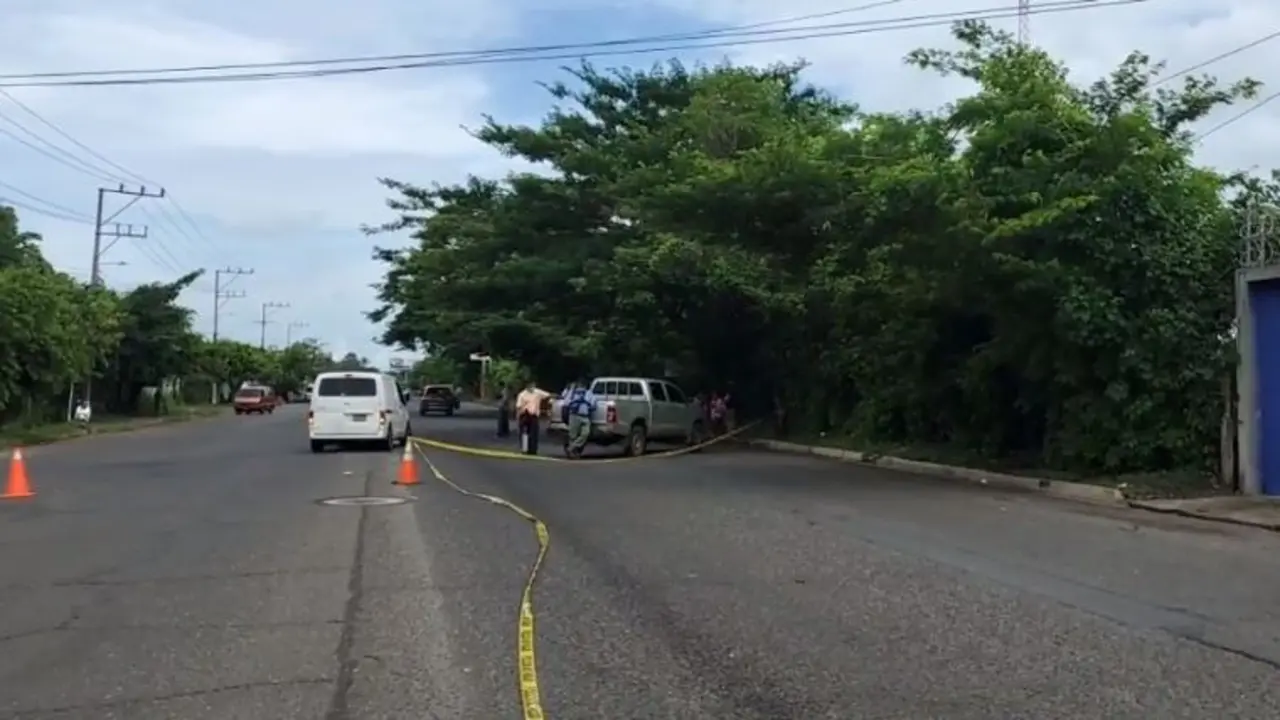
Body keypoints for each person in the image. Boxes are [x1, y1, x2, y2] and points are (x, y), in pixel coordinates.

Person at [563, 378, 596, 459]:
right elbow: (566, 402)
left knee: (586, 433)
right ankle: (574, 453)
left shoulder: (589, 393)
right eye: (580, 385)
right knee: (572, 436)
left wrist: (587, 404)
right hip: (574, 415)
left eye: (583, 385)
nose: (581, 386)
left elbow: (593, 404)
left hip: (585, 416)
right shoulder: (573, 393)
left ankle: (571, 448)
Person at [515, 380, 543, 455]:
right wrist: (518, 417)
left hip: (534, 415)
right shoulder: (522, 394)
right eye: (531, 386)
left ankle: (533, 450)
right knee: (524, 433)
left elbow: (547, 395)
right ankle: (524, 449)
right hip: (524, 414)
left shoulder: (538, 392)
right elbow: (518, 406)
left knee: (534, 433)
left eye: (533, 386)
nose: (532, 387)